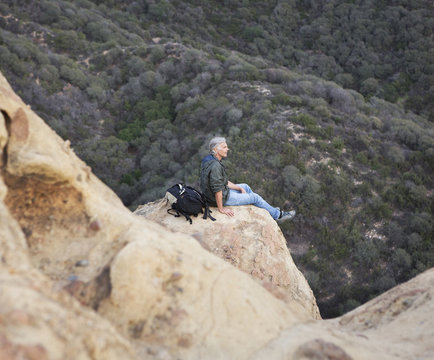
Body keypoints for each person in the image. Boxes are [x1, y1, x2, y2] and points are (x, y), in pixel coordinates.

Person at [200, 137, 295, 222]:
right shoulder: (215, 166)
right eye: (224, 147)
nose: (227, 149)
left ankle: (268, 209)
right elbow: (217, 189)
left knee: (245, 186)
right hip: (218, 199)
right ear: (216, 149)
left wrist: (239, 188)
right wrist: (221, 209)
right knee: (255, 197)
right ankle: (278, 215)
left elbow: (222, 182)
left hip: (214, 194)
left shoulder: (209, 160)